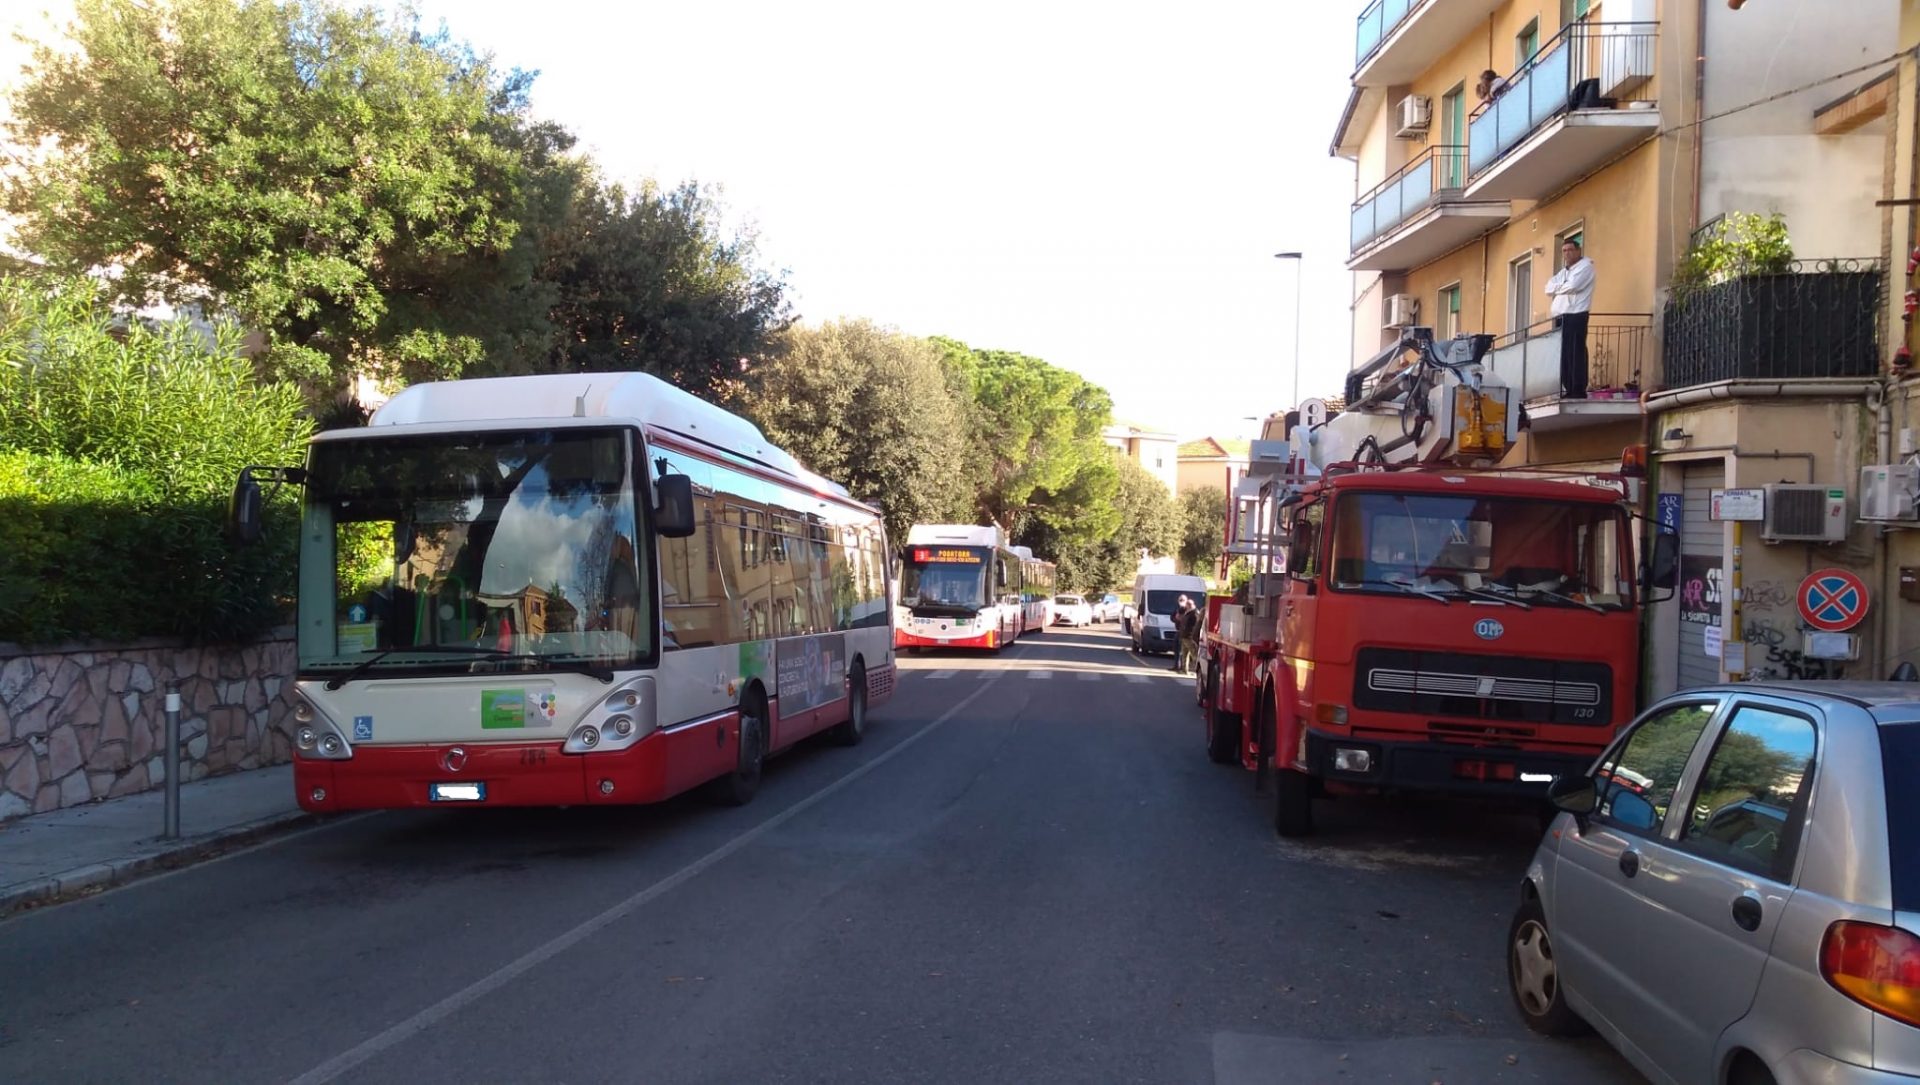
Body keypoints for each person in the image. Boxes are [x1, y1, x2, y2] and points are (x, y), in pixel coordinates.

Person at [1544, 239, 1595, 399]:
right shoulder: (1564, 272)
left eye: (1570, 250)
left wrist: (1559, 288)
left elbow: (1574, 286)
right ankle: (1568, 388)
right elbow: (1547, 288)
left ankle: (1578, 389)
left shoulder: (1586, 267)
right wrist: (1561, 287)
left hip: (1576, 315)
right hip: (1561, 317)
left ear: (1578, 251)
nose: (1567, 253)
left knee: (1575, 352)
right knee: (1564, 354)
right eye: (1564, 250)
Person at [1175, 595, 1202, 674]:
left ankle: (1197, 670)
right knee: (1184, 654)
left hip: (1189, 636)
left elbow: (1195, 625)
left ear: (1190, 605)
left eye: (1187, 605)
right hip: (1184, 636)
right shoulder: (1188, 613)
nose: (1185, 607)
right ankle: (1184, 670)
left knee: (1194, 654)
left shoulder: (1195, 613)